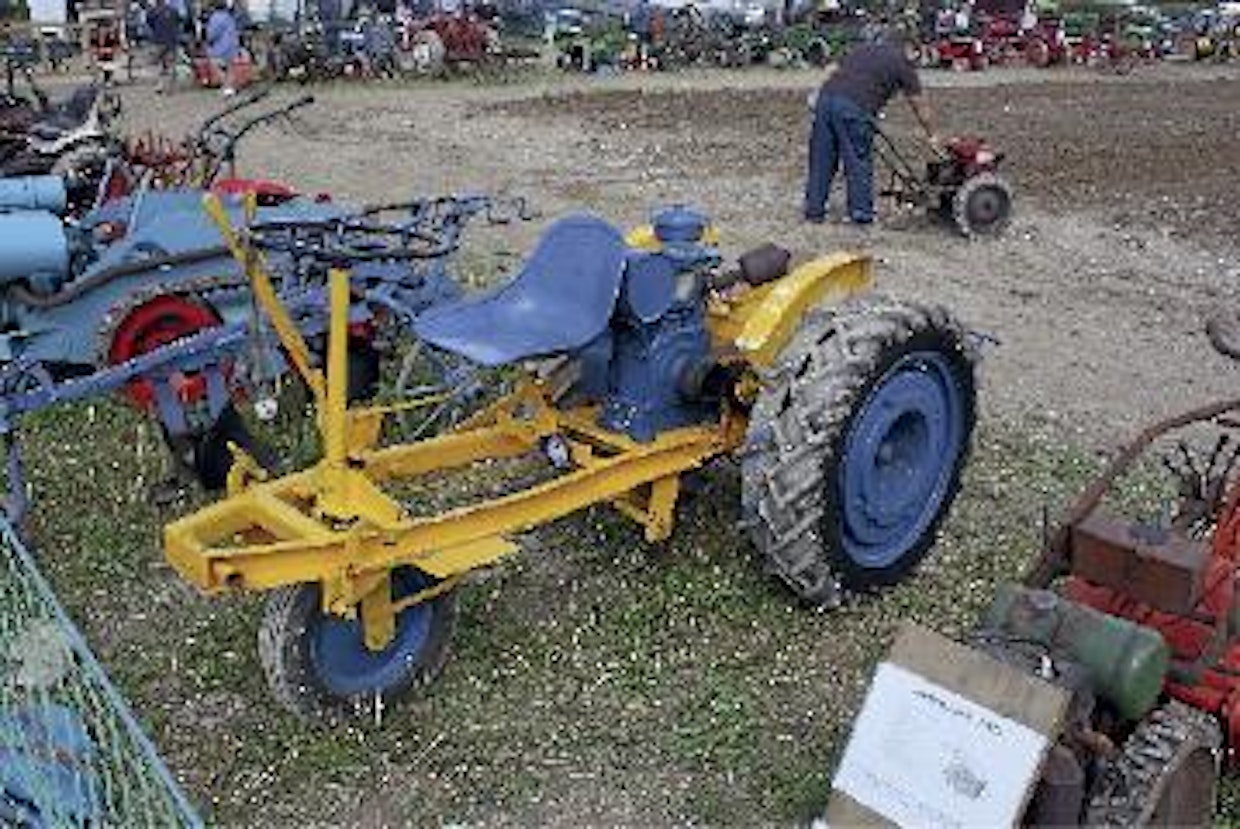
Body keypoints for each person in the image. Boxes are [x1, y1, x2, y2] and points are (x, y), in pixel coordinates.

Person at [803, 34, 937, 225]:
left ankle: (814, 211)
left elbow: (832, 68)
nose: (918, 63)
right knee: (857, 161)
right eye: (919, 56)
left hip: (825, 101)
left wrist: (817, 94)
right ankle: (861, 214)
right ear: (912, 50)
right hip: (853, 107)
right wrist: (931, 134)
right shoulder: (903, 63)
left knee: (822, 158)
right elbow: (919, 105)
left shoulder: (864, 49)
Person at [204, 0, 240, 95]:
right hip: (232, 47)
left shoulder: (215, 18)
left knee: (216, 66)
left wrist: (208, 41)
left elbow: (212, 34)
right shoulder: (230, 17)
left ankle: (225, 86)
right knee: (230, 68)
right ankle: (230, 87)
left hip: (218, 48)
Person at [148, 0, 180, 91]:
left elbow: (150, 23)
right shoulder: (174, 11)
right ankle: (170, 86)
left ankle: (160, 85)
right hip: (171, 40)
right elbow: (178, 22)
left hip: (159, 40)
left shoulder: (153, 12)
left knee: (158, 64)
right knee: (170, 64)